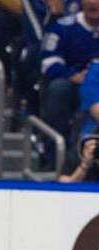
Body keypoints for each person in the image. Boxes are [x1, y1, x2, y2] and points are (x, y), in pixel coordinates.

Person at [40, 0, 99, 148]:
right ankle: (55, 151)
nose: (93, 3)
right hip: (73, 85)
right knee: (58, 88)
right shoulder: (63, 27)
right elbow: (48, 62)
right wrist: (73, 75)